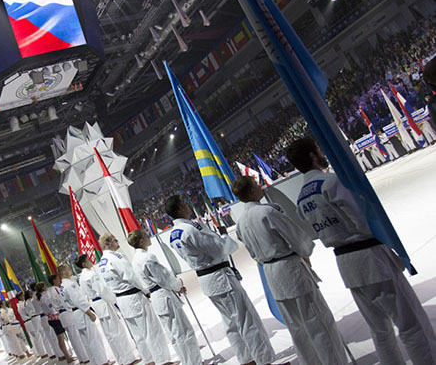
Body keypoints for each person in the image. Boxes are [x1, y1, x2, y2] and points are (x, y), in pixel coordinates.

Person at [286, 137, 436, 365]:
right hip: (370, 256)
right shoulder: (331, 183)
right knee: (411, 324)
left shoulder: (301, 198)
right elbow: (362, 220)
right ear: (312, 156)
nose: (321, 151)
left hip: (347, 263)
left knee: (380, 331)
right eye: (318, 148)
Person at [231, 176, 348, 365]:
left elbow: (252, 252)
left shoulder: (240, 223)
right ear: (251, 191)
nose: (260, 187)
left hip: (272, 274)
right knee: (319, 323)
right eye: (255, 185)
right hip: (291, 269)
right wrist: (305, 253)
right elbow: (296, 237)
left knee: (297, 329)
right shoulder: (267, 212)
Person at [164, 194, 286, 365]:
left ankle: (247, 359)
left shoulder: (174, 234)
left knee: (232, 323)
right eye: (184, 203)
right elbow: (219, 249)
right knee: (246, 320)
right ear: (179, 209)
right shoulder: (190, 229)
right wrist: (223, 236)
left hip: (208, 278)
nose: (187, 205)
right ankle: (264, 360)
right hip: (219, 277)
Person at [98, 233, 175, 365]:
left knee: (138, 335)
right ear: (107, 243)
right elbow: (131, 276)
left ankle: (148, 360)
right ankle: (163, 361)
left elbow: (105, 287)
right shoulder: (116, 258)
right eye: (115, 239)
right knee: (151, 330)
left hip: (122, 299)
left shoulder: (101, 263)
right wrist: (146, 290)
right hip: (133, 296)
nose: (118, 241)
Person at [128, 229, 203, 365]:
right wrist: (178, 284)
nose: (148, 236)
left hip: (157, 297)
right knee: (183, 331)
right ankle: (195, 362)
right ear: (141, 241)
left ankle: (188, 361)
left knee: (174, 334)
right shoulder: (147, 258)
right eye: (145, 235)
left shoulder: (135, 261)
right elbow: (164, 278)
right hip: (164, 295)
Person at [76, 254, 140, 365]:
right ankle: (128, 359)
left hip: (96, 304)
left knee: (110, 335)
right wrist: (114, 300)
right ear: (84, 264)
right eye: (88, 260)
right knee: (117, 332)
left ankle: (121, 359)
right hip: (102, 302)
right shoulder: (90, 275)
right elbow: (102, 290)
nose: (91, 261)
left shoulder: (81, 277)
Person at [58, 264, 112, 365]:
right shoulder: (70, 285)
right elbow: (78, 300)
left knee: (86, 341)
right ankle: (102, 362)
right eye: (69, 269)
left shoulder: (63, 285)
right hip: (82, 311)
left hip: (75, 313)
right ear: (64, 273)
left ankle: (94, 361)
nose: (71, 270)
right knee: (93, 338)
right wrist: (89, 312)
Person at [48, 274, 91, 363]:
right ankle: (84, 357)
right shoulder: (55, 289)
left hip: (62, 314)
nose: (59, 280)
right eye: (57, 279)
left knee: (73, 337)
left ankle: (81, 358)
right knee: (76, 337)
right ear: (54, 280)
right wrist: (70, 308)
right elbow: (63, 301)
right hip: (66, 312)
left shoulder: (51, 290)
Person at [36, 282, 77, 363]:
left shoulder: (41, 297)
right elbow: (51, 308)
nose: (46, 286)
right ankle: (67, 357)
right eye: (45, 285)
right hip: (54, 318)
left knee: (61, 338)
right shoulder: (45, 297)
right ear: (43, 288)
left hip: (52, 319)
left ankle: (67, 355)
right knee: (61, 339)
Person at [30, 282, 61, 359]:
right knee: (54, 336)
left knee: (49, 337)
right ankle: (60, 354)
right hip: (48, 315)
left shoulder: (34, 298)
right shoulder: (42, 296)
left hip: (42, 317)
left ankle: (55, 354)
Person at [17, 291, 48, 358]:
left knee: (35, 338)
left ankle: (38, 353)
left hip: (28, 321)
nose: (23, 297)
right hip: (29, 320)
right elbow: (27, 312)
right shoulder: (22, 304)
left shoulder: (20, 304)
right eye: (22, 296)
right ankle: (42, 353)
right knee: (37, 337)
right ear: (20, 297)